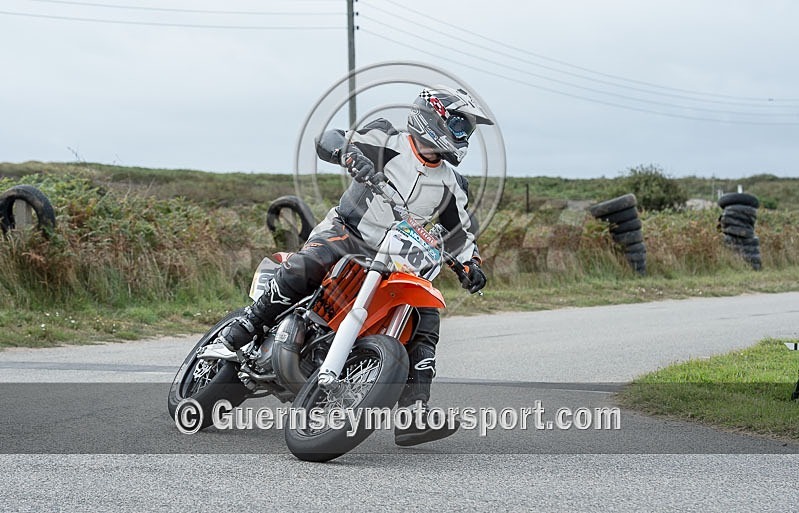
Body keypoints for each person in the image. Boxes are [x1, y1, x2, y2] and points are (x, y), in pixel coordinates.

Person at [218, 85, 491, 446]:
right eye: (459, 125)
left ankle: (414, 412)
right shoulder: (386, 139)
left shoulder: (453, 184)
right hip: (349, 232)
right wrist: (348, 155)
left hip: (397, 258)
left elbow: (460, 232)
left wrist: (470, 264)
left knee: (424, 315)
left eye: (467, 129)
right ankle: (249, 323)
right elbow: (329, 139)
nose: (463, 135)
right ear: (434, 115)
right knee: (311, 262)